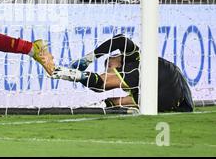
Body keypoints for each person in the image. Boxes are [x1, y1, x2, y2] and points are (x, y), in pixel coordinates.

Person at [52, 34, 194, 112]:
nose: (108, 71)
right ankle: (72, 75)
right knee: (136, 102)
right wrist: (102, 104)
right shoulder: (139, 88)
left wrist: (89, 58)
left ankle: (64, 73)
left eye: (108, 65)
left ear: (117, 58)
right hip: (177, 102)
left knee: (101, 84)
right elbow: (120, 102)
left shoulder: (134, 58)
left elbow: (120, 40)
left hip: (163, 74)